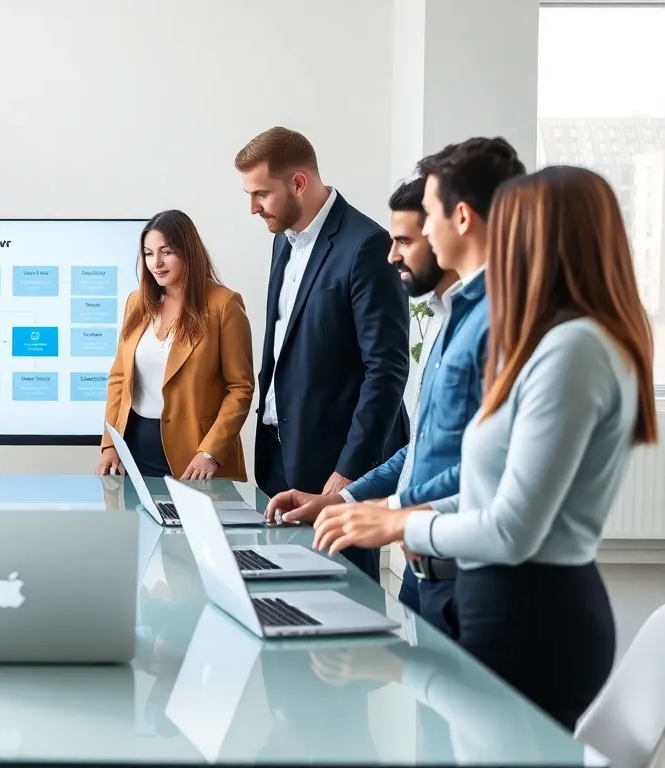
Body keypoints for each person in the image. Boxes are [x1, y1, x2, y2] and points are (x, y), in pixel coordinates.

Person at [313, 165, 656, 730]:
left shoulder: (574, 349)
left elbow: (510, 525)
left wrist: (399, 526)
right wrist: (388, 510)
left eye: (509, 230)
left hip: (532, 612)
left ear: (542, 238)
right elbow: (484, 488)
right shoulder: (551, 341)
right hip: (503, 599)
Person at [266, 138, 527, 632]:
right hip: (424, 569)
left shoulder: (506, 325)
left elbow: (487, 472)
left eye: (421, 223)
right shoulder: (453, 316)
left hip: (471, 577)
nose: (395, 253)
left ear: (462, 218)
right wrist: (344, 501)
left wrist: (392, 514)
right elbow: (425, 448)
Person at [236, 126, 410, 582]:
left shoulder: (366, 245)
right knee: (281, 592)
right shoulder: (281, 239)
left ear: (298, 182)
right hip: (276, 455)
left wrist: (349, 473)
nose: (253, 207)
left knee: (343, 595)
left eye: (261, 194)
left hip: (334, 464)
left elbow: (386, 369)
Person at [98, 210, 255, 480]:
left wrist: (210, 452)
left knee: (197, 523)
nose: (156, 263)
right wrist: (110, 443)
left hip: (197, 455)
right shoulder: (136, 302)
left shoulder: (224, 305)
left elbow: (240, 388)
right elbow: (119, 377)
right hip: (133, 451)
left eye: (166, 252)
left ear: (187, 251)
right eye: (148, 253)